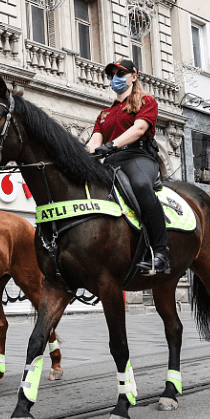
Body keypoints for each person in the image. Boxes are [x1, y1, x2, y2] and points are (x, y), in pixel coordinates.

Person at [87, 58, 169, 275]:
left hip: (138, 157)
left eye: (120, 74)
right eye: (112, 75)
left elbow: (139, 129)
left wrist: (111, 144)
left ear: (133, 76)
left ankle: (160, 253)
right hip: (111, 163)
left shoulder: (146, 101)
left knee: (141, 186)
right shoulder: (104, 114)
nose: (115, 79)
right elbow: (95, 141)